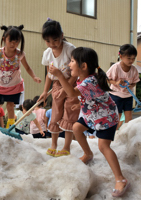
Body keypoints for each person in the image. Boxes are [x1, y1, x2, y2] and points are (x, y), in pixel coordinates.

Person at [48, 47, 129, 197]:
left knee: (103, 146)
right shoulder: (85, 79)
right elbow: (92, 95)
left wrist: (59, 75)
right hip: (91, 114)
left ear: (83, 66)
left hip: (106, 118)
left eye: (72, 61)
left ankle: (120, 178)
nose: (69, 64)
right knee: (77, 127)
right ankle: (88, 154)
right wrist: (80, 104)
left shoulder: (90, 81)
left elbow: (72, 92)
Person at [0, 25, 41, 130]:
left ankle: (10, 128)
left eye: (16, 41)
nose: (13, 44)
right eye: (11, 41)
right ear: (4, 39)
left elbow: (27, 67)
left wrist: (34, 77)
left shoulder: (20, 54)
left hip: (14, 85)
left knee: (10, 106)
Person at [38, 18, 80, 157]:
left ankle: (66, 147)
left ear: (62, 35)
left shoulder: (70, 49)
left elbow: (76, 71)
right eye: (48, 41)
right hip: (56, 85)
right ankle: (53, 144)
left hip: (71, 83)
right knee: (55, 114)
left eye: (55, 40)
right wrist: (45, 91)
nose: (52, 44)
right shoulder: (47, 53)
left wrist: (66, 86)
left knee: (69, 115)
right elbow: (49, 74)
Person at [106, 44, 139, 130]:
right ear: (121, 56)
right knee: (117, 117)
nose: (131, 60)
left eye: (133, 58)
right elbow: (107, 79)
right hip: (115, 96)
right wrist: (116, 82)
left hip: (128, 96)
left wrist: (132, 85)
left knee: (129, 119)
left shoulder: (134, 69)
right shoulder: (115, 67)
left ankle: (127, 135)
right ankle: (114, 136)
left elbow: (135, 82)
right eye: (129, 58)